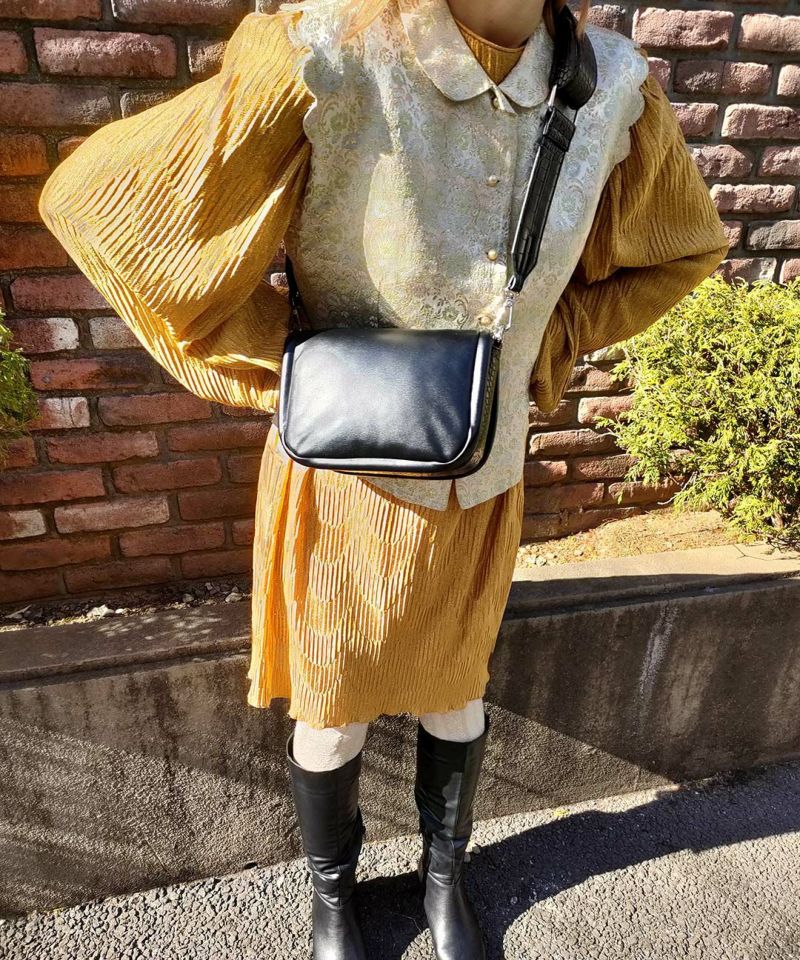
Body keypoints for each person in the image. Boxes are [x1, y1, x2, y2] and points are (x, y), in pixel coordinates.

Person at [38, 0, 728, 956]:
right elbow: (106, 208)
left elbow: (684, 248)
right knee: (332, 715)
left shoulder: (612, 86)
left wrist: (551, 335)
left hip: (483, 474)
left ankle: (445, 882)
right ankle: (333, 899)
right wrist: (292, 364)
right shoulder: (325, 47)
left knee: (457, 694)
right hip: (345, 481)